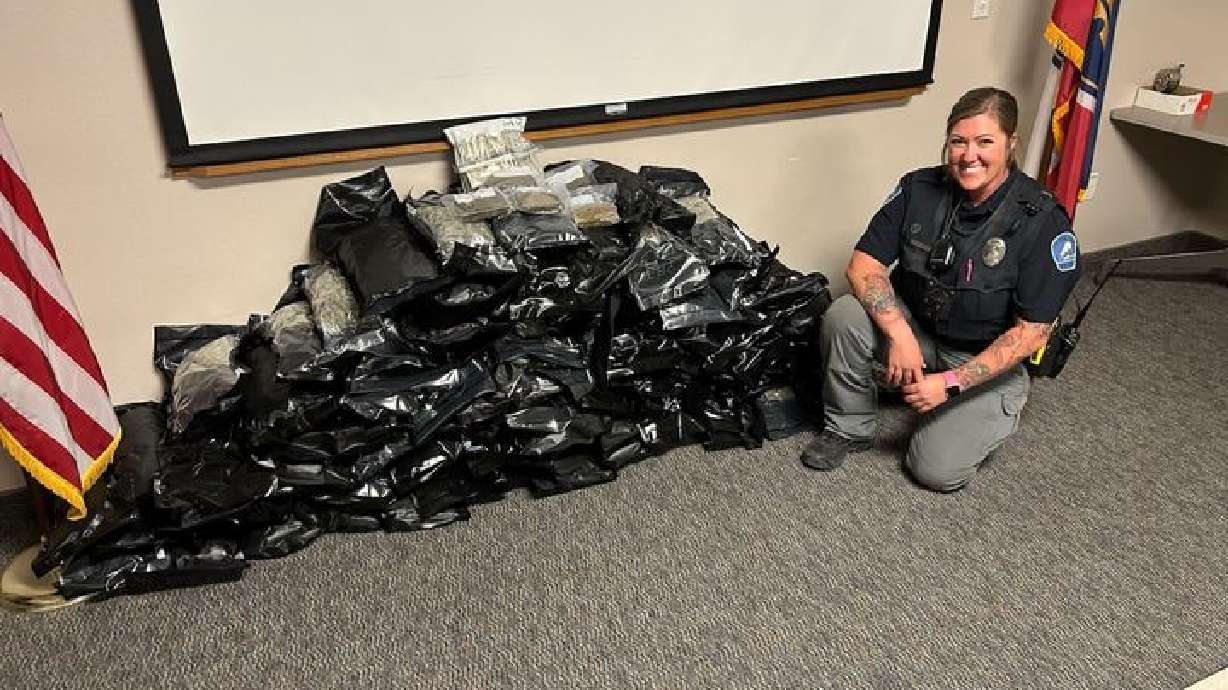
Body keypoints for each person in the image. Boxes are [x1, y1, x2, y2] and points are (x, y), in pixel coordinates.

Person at [800, 87, 1081, 492]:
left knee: (935, 470)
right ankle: (848, 427)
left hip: (982, 353)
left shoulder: (1041, 221)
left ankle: (985, 407)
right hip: (919, 330)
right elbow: (863, 266)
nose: (969, 156)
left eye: (985, 142)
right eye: (958, 142)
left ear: (1011, 143)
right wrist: (900, 336)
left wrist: (950, 384)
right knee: (844, 315)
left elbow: (1031, 334)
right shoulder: (919, 188)